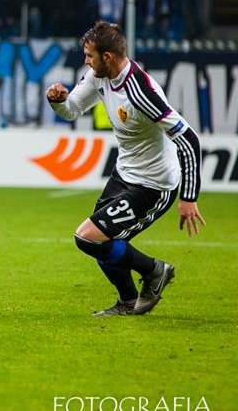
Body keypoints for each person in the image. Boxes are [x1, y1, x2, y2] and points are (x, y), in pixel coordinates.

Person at [45, 21, 204, 317]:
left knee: (88, 237)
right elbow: (72, 110)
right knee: (101, 241)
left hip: (154, 185)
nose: (86, 61)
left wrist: (189, 197)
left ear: (108, 57)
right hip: (124, 175)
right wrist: (57, 100)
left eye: (89, 55)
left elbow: (189, 139)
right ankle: (128, 301)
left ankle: (155, 271)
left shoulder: (141, 93)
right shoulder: (98, 77)